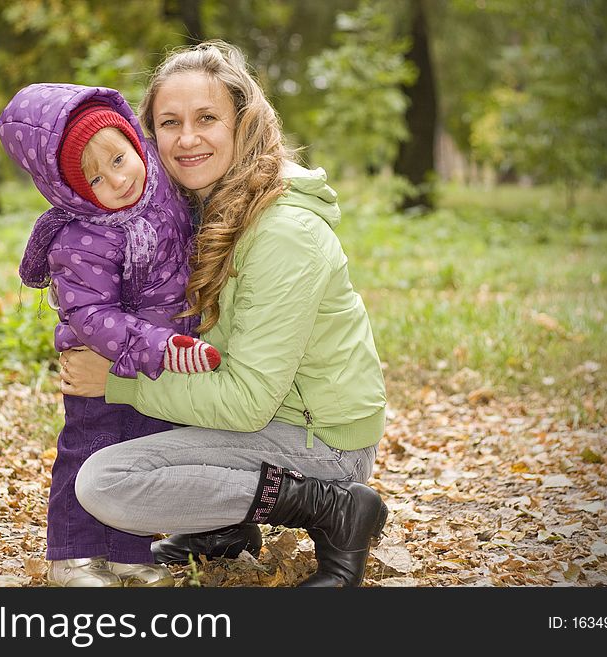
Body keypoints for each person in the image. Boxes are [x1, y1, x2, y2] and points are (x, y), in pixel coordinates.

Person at [60, 41, 389, 587]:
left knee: (104, 483)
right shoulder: (186, 213)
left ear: (243, 124)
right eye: (169, 122)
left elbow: (247, 401)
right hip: (266, 419)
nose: (187, 139)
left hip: (323, 441)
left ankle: (334, 508)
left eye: (206, 118)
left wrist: (116, 384)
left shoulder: (285, 234)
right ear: (148, 136)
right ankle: (225, 528)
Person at [0, 83, 223, 587]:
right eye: (95, 178)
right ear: (74, 192)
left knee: (145, 454)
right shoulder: (82, 236)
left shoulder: (164, 190)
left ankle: (131, 554)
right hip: (104, 360)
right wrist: (155, 346)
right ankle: (72, 554)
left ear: (134, 143)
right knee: (91, 448)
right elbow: (90, 315)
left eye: (120, 159)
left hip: (157, 361)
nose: (118, 180)